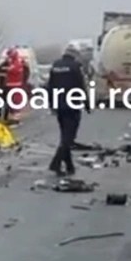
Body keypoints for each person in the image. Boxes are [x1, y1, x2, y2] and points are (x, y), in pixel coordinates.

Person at [47, 44, 90, 176]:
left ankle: (69, 166)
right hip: (72, 106)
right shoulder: (76, 67)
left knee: (65, 136)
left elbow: (50, 87)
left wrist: (51, 104)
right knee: (68, 138)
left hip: (59, 106)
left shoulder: (55, 66)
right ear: (74, 55)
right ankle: (55, 163)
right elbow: (81, 86)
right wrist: (87, 104)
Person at [0, 52, 11, 121]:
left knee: (0, 101)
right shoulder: (11, 66)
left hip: (1, 86)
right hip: (6, 87)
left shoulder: (1, 66)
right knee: (7, 101)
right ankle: (5, 116)